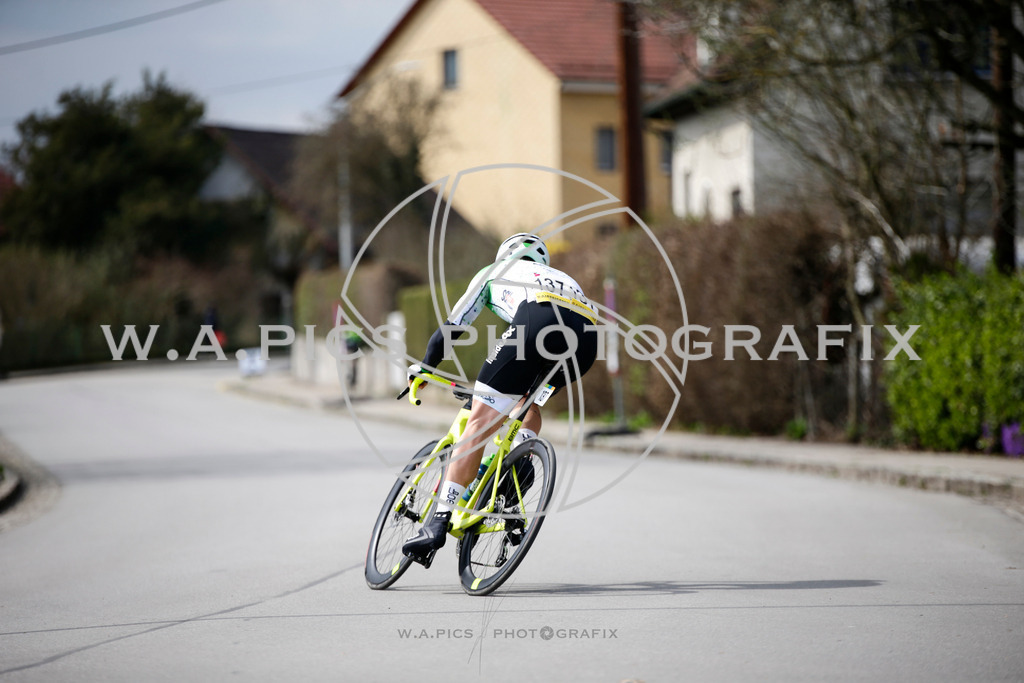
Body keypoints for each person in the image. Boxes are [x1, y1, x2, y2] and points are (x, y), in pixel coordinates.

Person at [402, 232, 599, 562]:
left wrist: (425, 367)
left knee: (478, 423)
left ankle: (437, 522)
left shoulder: (494, 271)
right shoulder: (563, 278)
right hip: (586, 340)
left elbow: (452, 327)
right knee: (528, 402)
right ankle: (520, 458)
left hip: (538, 320)